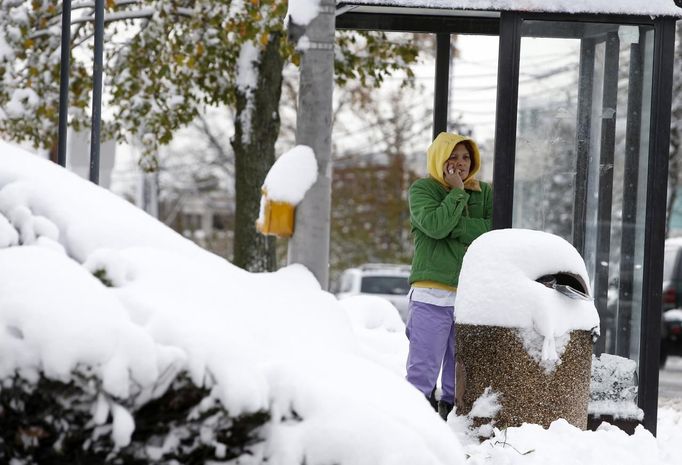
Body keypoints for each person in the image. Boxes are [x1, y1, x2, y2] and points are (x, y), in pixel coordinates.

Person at [406, 132, 493, 420]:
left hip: (469, 297)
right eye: (453, 156)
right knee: (423, 371)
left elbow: (494, 232)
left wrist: (459, 226)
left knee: (461, 375)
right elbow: (436, 226)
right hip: (431, 295)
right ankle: (416, 424)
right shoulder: (423, 190)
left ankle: (453, 425)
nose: (460, 163)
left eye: (466, 157)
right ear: (439, 159)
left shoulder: (486, 193)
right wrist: (457, 193)